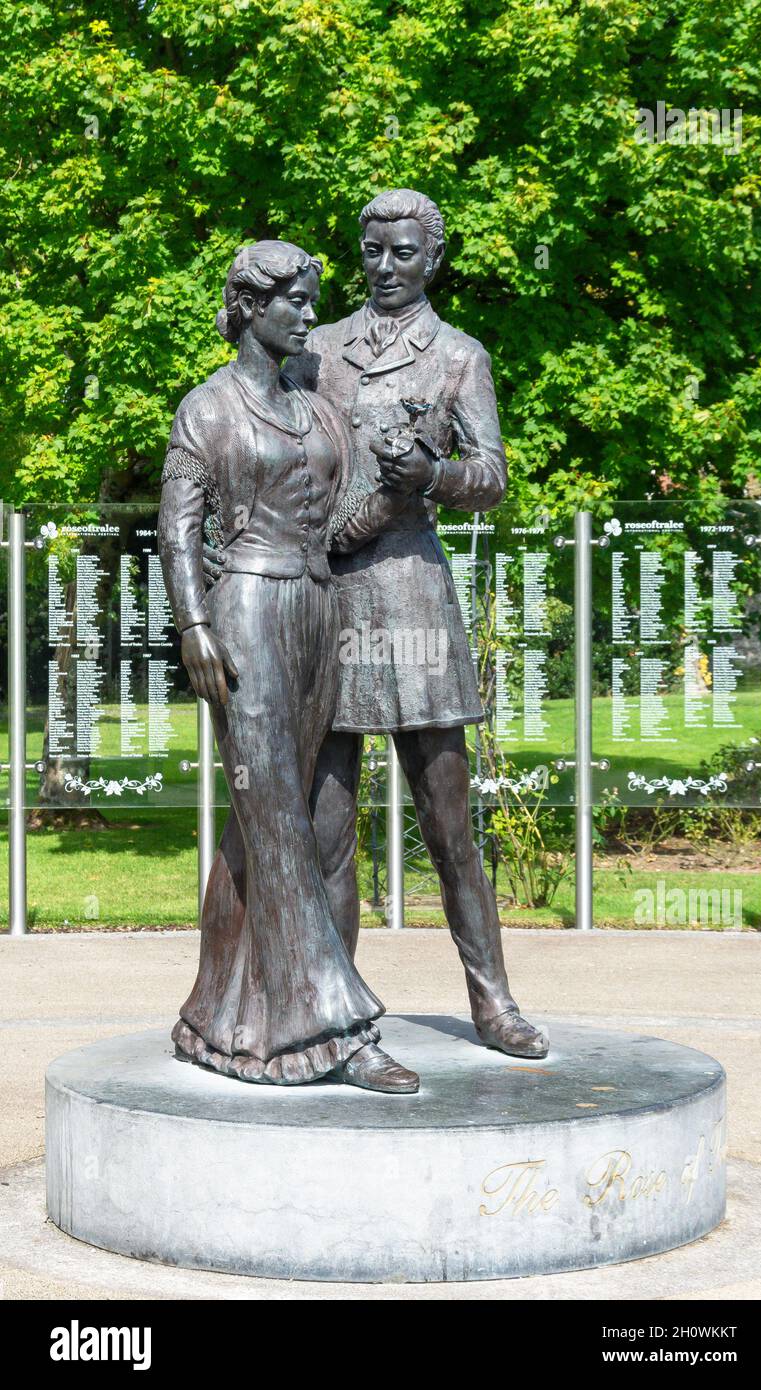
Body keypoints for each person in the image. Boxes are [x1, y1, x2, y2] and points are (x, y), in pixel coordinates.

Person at [207, 193, 549, 1060]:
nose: (384, 267)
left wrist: (432, 472)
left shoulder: (460, 358)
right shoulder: (316, 350)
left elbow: (494, 479)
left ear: (432, 259)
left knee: (448, 822)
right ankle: (338, 1017)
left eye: (401, 253)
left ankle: (493, 999)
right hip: (327, 598)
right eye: (372, 251)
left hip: (411, 602)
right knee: (327, 825)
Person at [158, 240, 418, 1093]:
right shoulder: (208, 408)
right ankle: (339, 1028)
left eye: (310, 301)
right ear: (251, 306)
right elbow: (177, 529)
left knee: (271, 820)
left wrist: (405, 483)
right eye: (295, 303)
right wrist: (194, 622)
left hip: (317, 610)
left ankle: (217, 1019)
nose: (310, 316)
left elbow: (343, 525)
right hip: (244, 612)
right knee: (274, 815)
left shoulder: (318, 410)